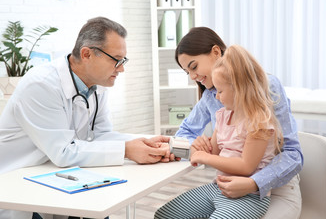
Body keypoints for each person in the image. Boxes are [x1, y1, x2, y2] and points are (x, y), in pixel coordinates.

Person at [0, 17, 173, 219]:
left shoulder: (97, 84)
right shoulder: (41, 85)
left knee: (98, 212)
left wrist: (144, 143)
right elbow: (63, 151)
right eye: (116, 59)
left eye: (123, 60)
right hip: (17, 183)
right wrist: (127, 150)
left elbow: (99, 135)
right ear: (87, 54)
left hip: (56, 176)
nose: (121, 68)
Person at [170, 27, 303, 218]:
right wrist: (196, 144)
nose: (192, 77)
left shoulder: (268, 86)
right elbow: (185, 133)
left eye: (194, 66)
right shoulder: (211, 97)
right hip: (228, 186)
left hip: (275, 188)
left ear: (216, 52)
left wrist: (255, 182)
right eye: (187, 72)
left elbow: (293, 154)